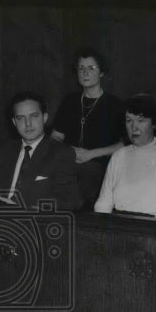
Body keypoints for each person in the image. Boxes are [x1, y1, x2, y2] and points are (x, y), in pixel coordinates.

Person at [49, 47, 125, 207]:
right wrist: (69, 152)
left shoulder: (115, 105)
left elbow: (125, 144)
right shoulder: (69, 101)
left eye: (91, 68)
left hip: (100, 167)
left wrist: (91, 154)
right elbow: (55, 137)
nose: (85, 73)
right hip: (69, 162)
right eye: (81, 68)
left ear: (102, 72)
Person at [94, 94, 156, 220]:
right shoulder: (119, 156)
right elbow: (103, 203)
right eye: (129, 120)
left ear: (154, 124)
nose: (133, 127)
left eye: (141, 120)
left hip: (155, 230)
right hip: (118, 228)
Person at [0, 91, 80, 211]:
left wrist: (24, 208)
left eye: (34, 116)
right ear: (14, 122)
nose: (27, 124)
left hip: (34, 223)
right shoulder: (2, 151)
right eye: (20, 118)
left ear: (44, 118)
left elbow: (68, 200)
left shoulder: (61, 153)